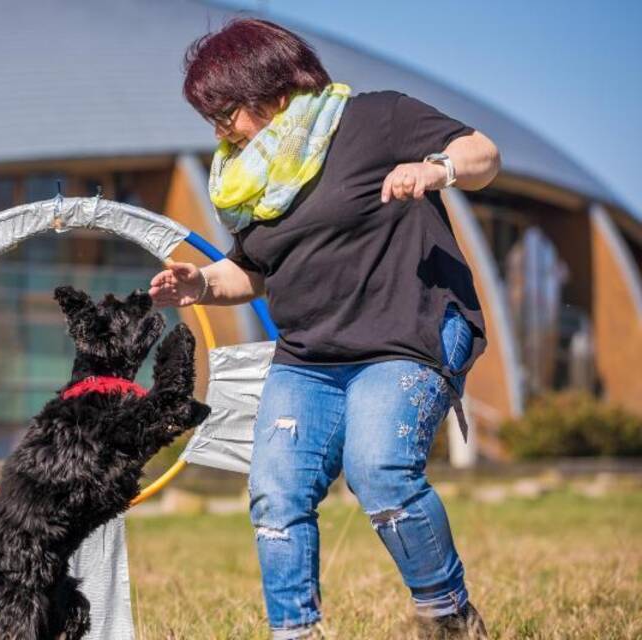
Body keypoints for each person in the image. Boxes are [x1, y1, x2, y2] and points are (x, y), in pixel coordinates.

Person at [148, 18, 499, 640]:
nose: (220, 130)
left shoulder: (376, 119)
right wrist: (200, 284)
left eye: (225, 112)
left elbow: (483, 155)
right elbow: (252, 270)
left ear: (270, 88)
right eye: (212, 119)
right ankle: (296, 632)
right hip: (309, 355)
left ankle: (448, 617)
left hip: (407, 335)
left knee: (380, 469)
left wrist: (437, 169)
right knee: (276, 494)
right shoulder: (253, 178)